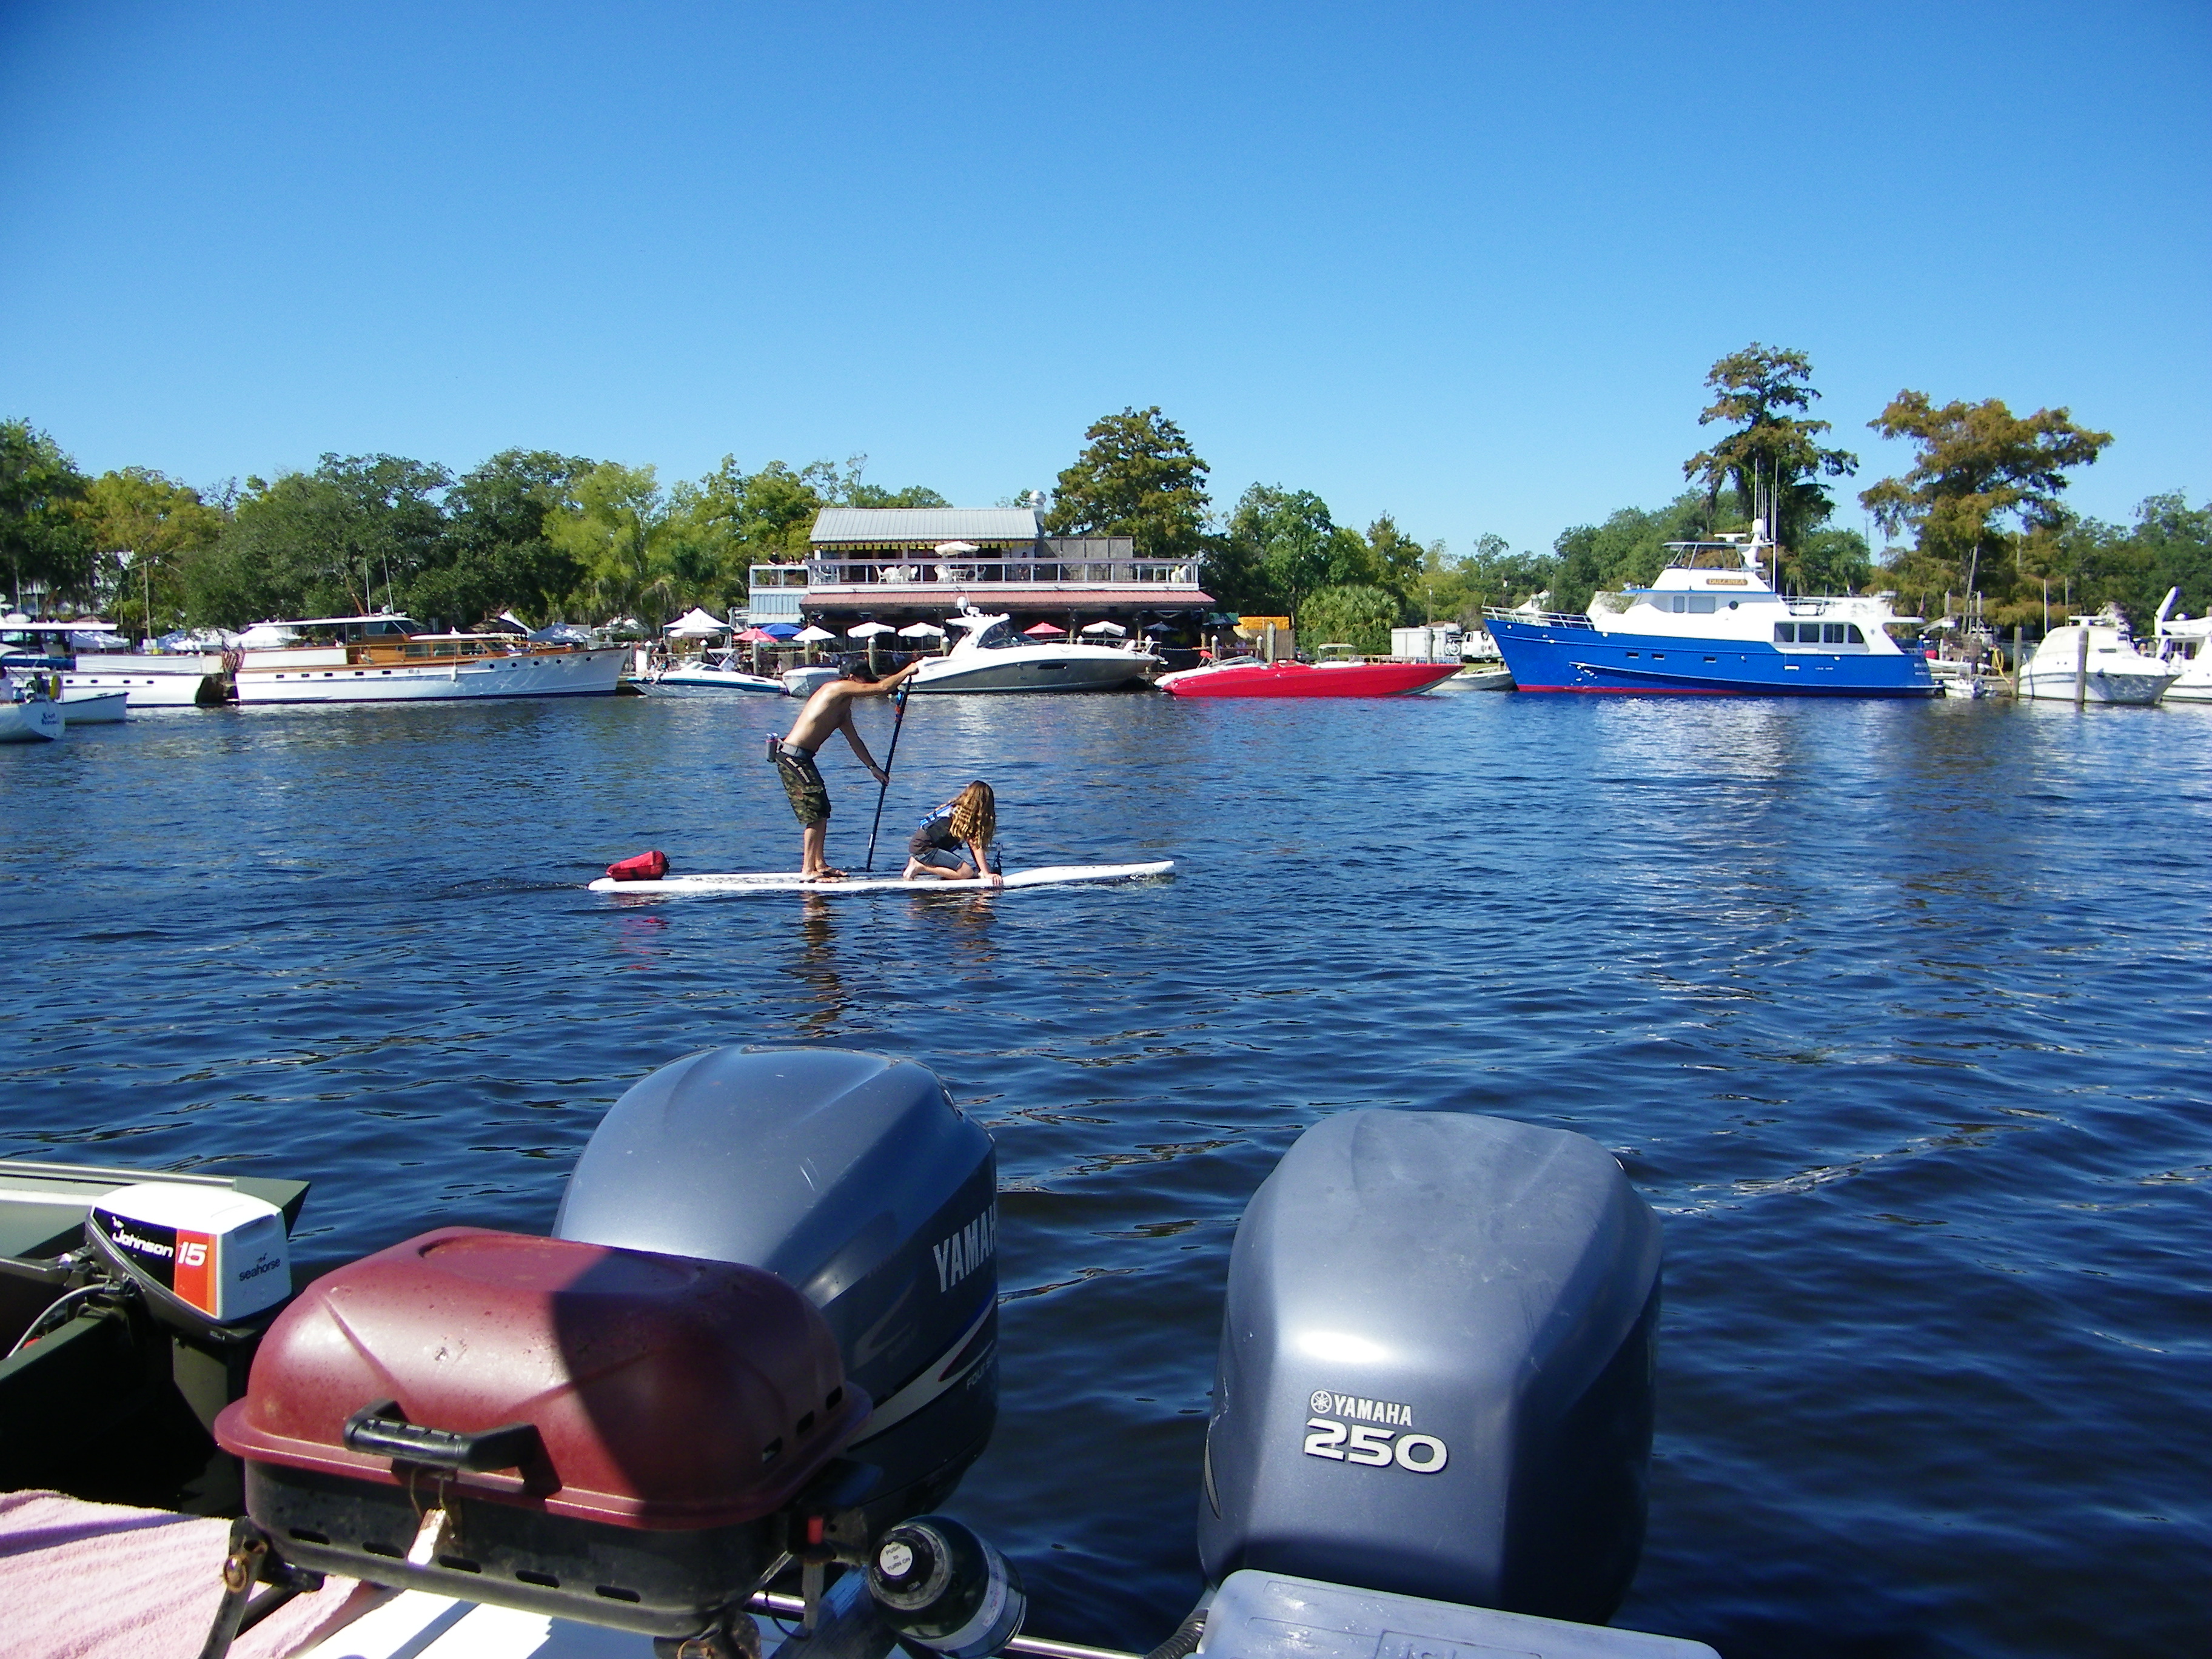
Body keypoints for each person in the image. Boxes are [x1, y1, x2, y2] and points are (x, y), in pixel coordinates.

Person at [771, 659, 921, 880]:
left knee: (823, 810)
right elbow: (882, 688)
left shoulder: (843, 710)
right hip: (792, 757)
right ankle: (808, 870)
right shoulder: (835, 689)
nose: (865, 687)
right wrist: (908, 670)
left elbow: (855, 740)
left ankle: (820, 864)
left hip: (804, 759)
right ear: (851, 678)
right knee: (815, 812)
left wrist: (873, 768)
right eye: (863, 682)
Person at [903, 781, 1003, 886]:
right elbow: (975, 846)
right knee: (966, 873)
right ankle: (920, 866)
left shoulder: (959, 809)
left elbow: (973, 845)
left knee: (971, 870)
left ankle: (920, 863)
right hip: (924, 849)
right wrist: (987, 874)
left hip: (920, 846)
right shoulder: (968, 817)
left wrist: (982, 868)